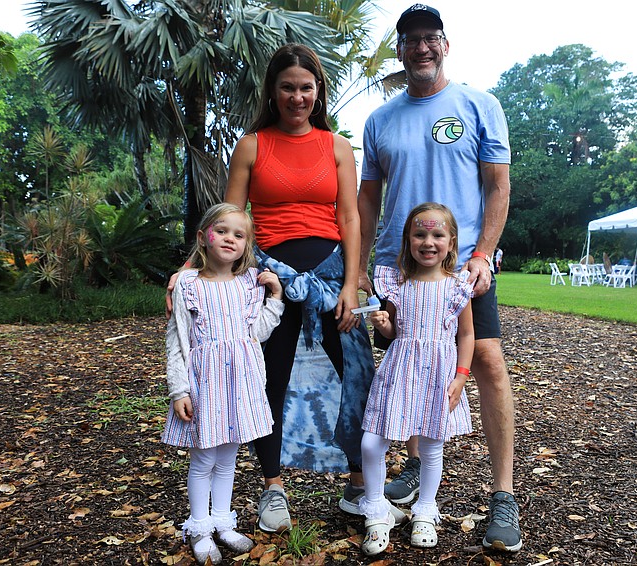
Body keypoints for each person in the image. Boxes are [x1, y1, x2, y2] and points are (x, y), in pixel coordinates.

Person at [356, 4, 521, 553]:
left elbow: (498, 186)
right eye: (411, 40)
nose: (422, 47)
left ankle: (503, 495)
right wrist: (361, 269)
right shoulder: (380, 120)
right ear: (400, 50)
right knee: (409, 361)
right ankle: (412, 466)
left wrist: (483, 254)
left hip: (461, 266)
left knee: (487, 360)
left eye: (431, 38)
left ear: (445, 44)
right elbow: (368, 199)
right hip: (398, 266)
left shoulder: (479, 104)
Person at [222, 44, 390, 533]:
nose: (297, 97)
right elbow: (230, 220)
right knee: (268, 378)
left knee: (356, 374)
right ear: (272, 93)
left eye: (306, 88)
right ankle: (273, 487)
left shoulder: (336, 146)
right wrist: (193, 270)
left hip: (332, 277)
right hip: (271, 279)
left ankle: (359, 485)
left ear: (318, 92)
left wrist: (352, 284)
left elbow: (350, 218)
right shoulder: (252, 145)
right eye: (287, 88)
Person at [162, 203, 285, 565]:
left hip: (240, 383)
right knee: (204, 459)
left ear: (247, 244)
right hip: (205, 382)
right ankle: (200, 529)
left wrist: (276, 298)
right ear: (204, 237)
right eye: (222, 231)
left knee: (229, 457)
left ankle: (222, 521)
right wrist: (179, 390)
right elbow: (176, 340)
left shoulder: (249, 283)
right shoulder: (188, 284)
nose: (230, 238)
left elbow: (257, 332)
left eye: (239, 234)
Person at [359, 203, 474, 555]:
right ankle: (376, 510)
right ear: (408, 240)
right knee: (371, 443)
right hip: (399, 373)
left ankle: (424, 511)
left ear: (451, 242)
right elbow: (395, 332)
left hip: (439, 375)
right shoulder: (398, 285)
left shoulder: (457, 287)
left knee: (431, 447)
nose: (428, 241)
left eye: (437, 235)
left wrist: (461, 377)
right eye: (420, 234)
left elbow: (466, 335)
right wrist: (384, 325)